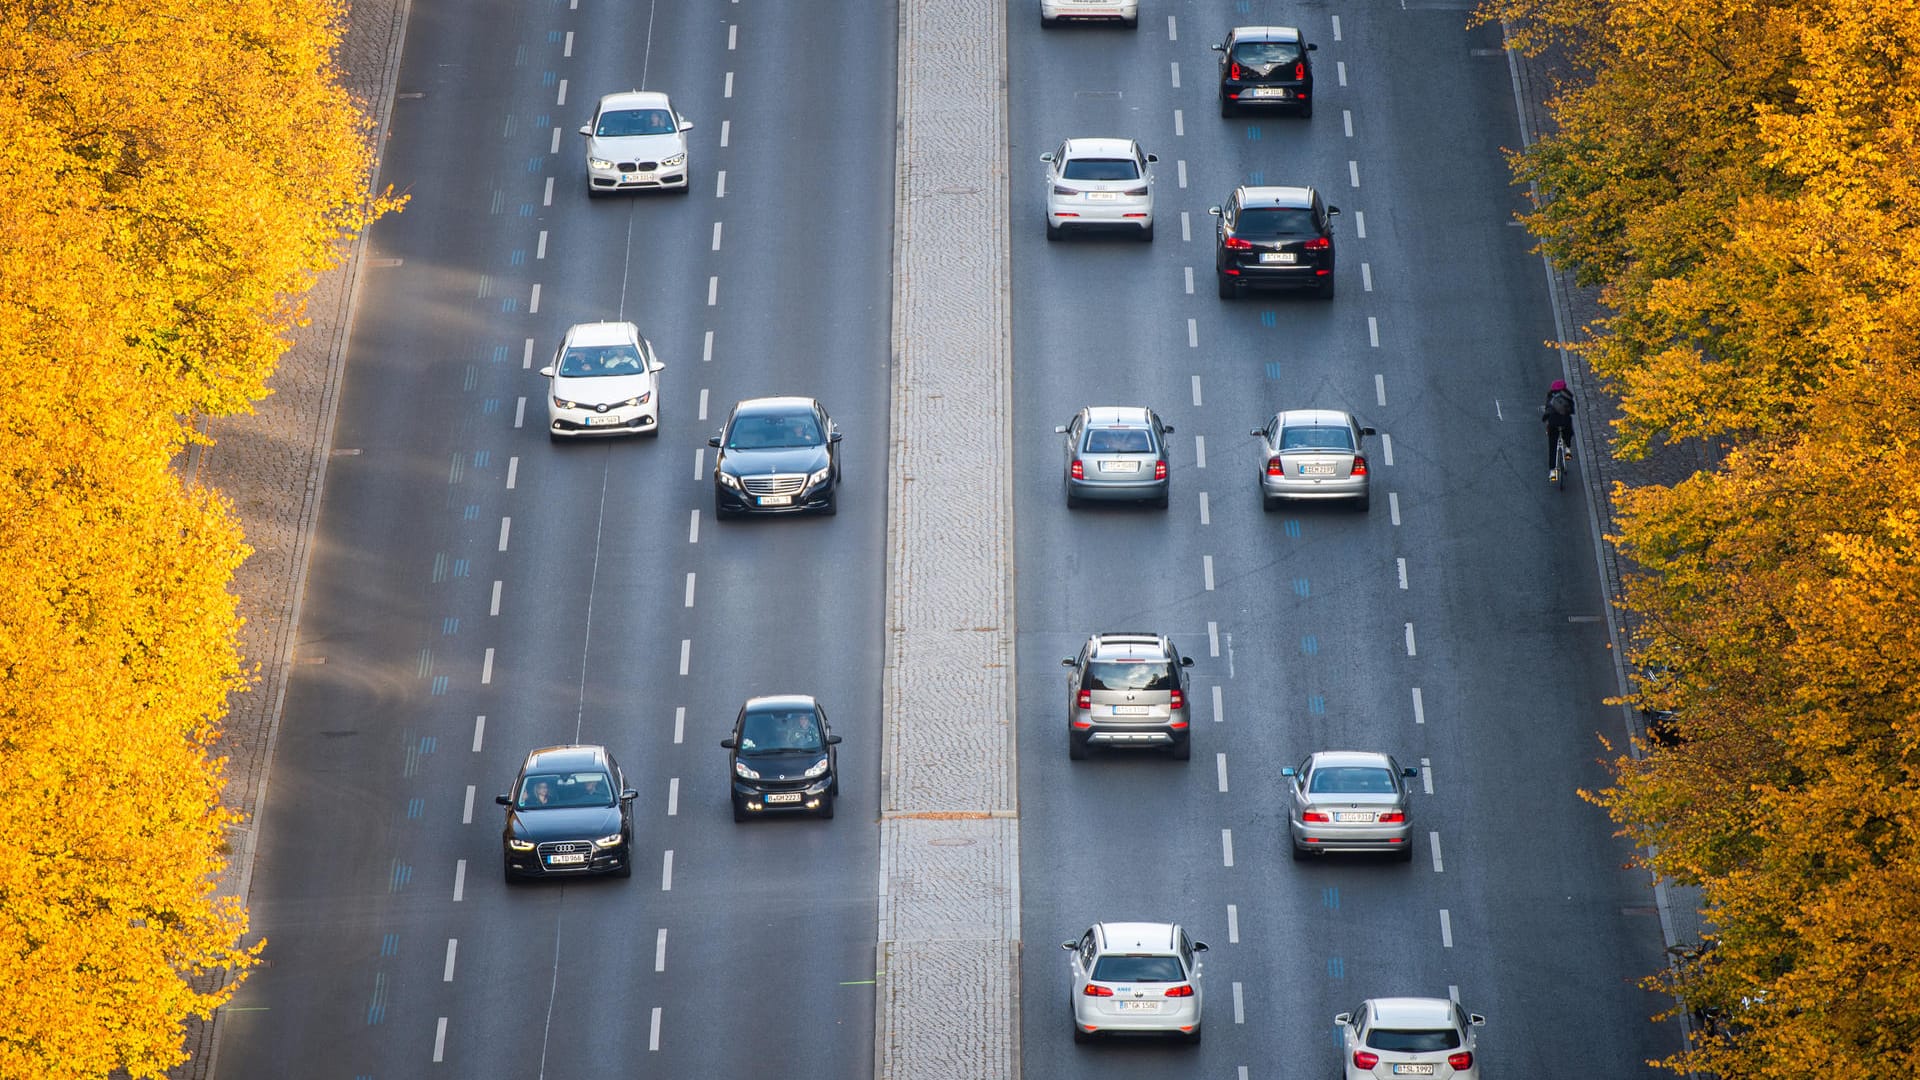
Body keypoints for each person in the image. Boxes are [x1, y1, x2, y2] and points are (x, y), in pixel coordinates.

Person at [1541, 378, 1575, 482]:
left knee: (1552, 446)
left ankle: (1552, 471)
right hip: (1564, 422)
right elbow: (1572, 411)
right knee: (1568, 432)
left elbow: (1547, 411)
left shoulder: (1550, 396)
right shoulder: (1568, 396)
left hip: (1553, 423)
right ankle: (1568, 449)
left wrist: (1546, 420)